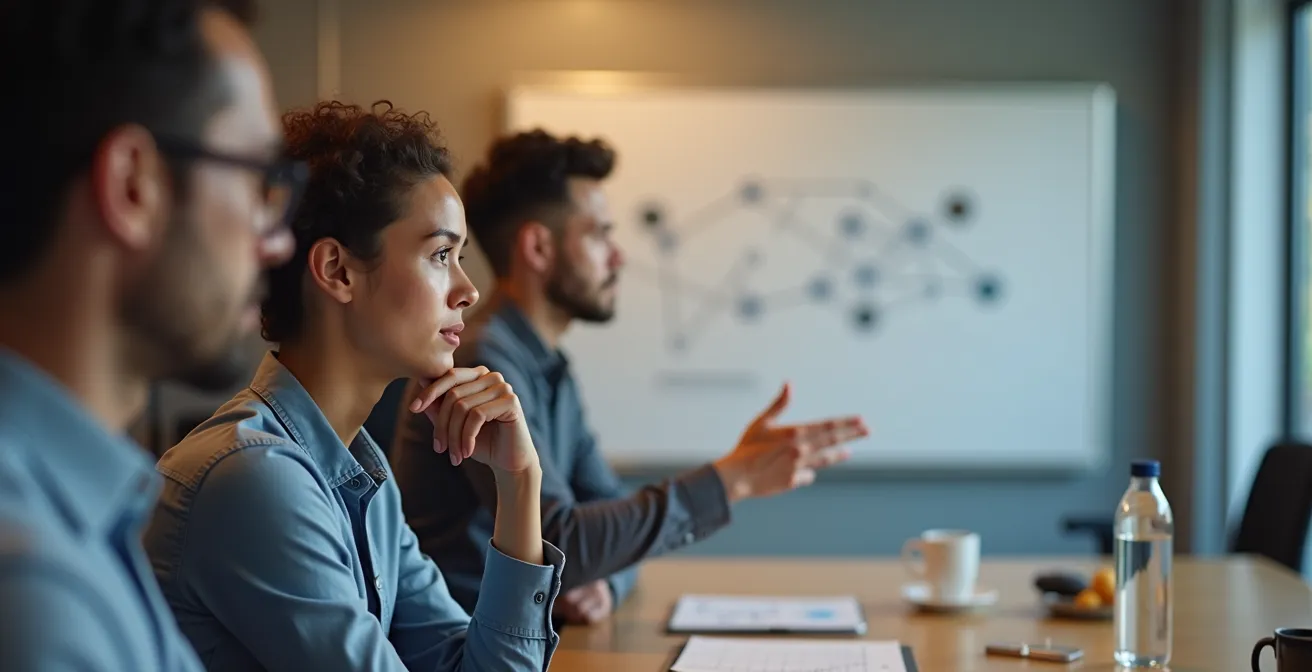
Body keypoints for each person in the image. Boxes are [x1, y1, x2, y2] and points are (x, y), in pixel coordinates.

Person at [142, 101, 564, 672]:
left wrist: (519, 487)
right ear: (337, 271)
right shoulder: (254, 478)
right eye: (441, 254)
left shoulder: (364, 482)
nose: (467, 290)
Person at [388, 129, 869, 624]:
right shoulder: (480, 363)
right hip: (465, 648)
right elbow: (559, 540)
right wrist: (732, 480)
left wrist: (610, 581)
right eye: (598, 234)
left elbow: (607, 516)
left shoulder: (550, 368)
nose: (618, 256)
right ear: (537, 247)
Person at [0, 0, 296, 669]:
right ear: (134, 185)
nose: (276, 241)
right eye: (263, 183)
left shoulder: (84, 515)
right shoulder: (35, 597)